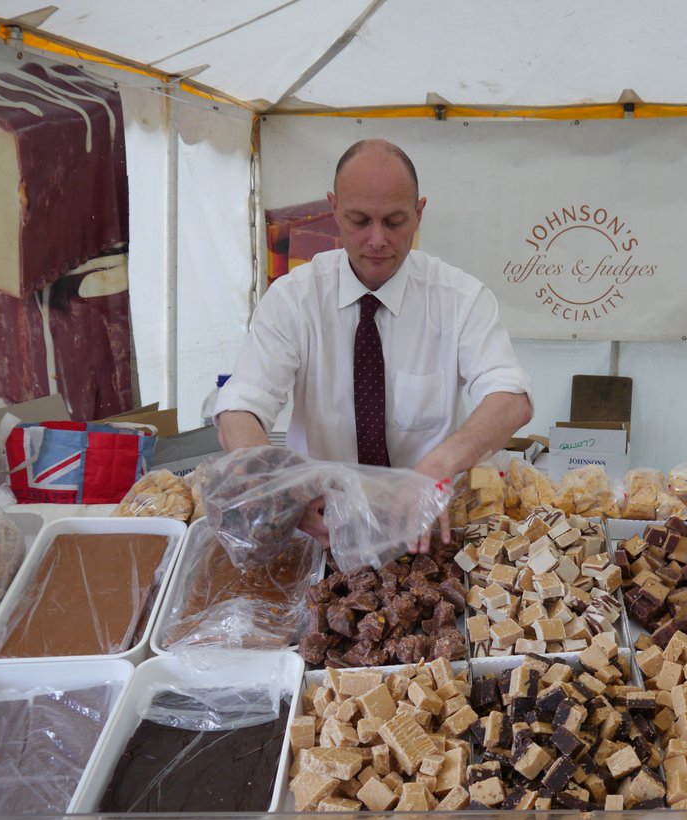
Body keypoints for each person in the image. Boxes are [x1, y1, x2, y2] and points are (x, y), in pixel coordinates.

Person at [214, 139, 533, 550]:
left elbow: (510, 399)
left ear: (419, 213)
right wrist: (282, 490)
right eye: (359, 220)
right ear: (333, 209)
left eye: (395, 221)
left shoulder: (460, 298)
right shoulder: (294, 299)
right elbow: (240, 409)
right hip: (320, 531)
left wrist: (432, 471)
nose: (377, 239)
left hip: (429, 532)